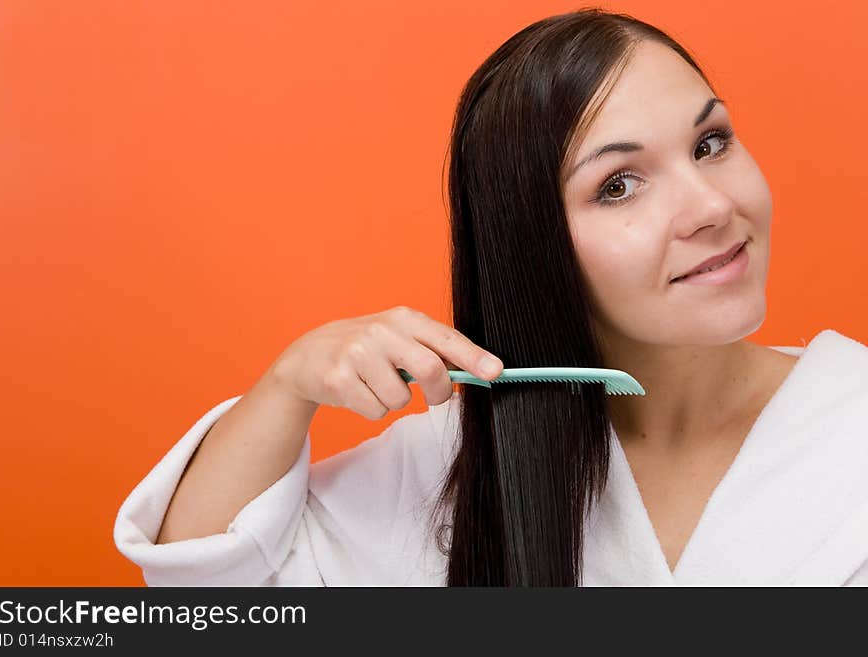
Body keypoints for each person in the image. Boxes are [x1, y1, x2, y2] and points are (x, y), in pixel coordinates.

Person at [114, 8, 868, 586]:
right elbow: (203, 599)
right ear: (531, 244)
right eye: (618, 185)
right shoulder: (459, 460)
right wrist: (288, 383)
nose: (710, 206)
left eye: (710, 143)